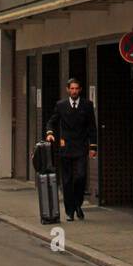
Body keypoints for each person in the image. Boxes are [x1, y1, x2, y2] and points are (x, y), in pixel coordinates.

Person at [46, 79, 97, 222]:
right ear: (68, 90)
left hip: (81, 146)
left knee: (81, 176)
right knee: (67, 180)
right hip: (65, 146)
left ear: (80, 90)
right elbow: (51, 121)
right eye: (72, 88)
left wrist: (93, 146)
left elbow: (92, 127)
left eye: (76, 88)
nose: (74, 91)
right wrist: (50, 133)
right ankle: (70, 211)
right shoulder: (61, 105)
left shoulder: (87, 105)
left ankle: (77, 203)